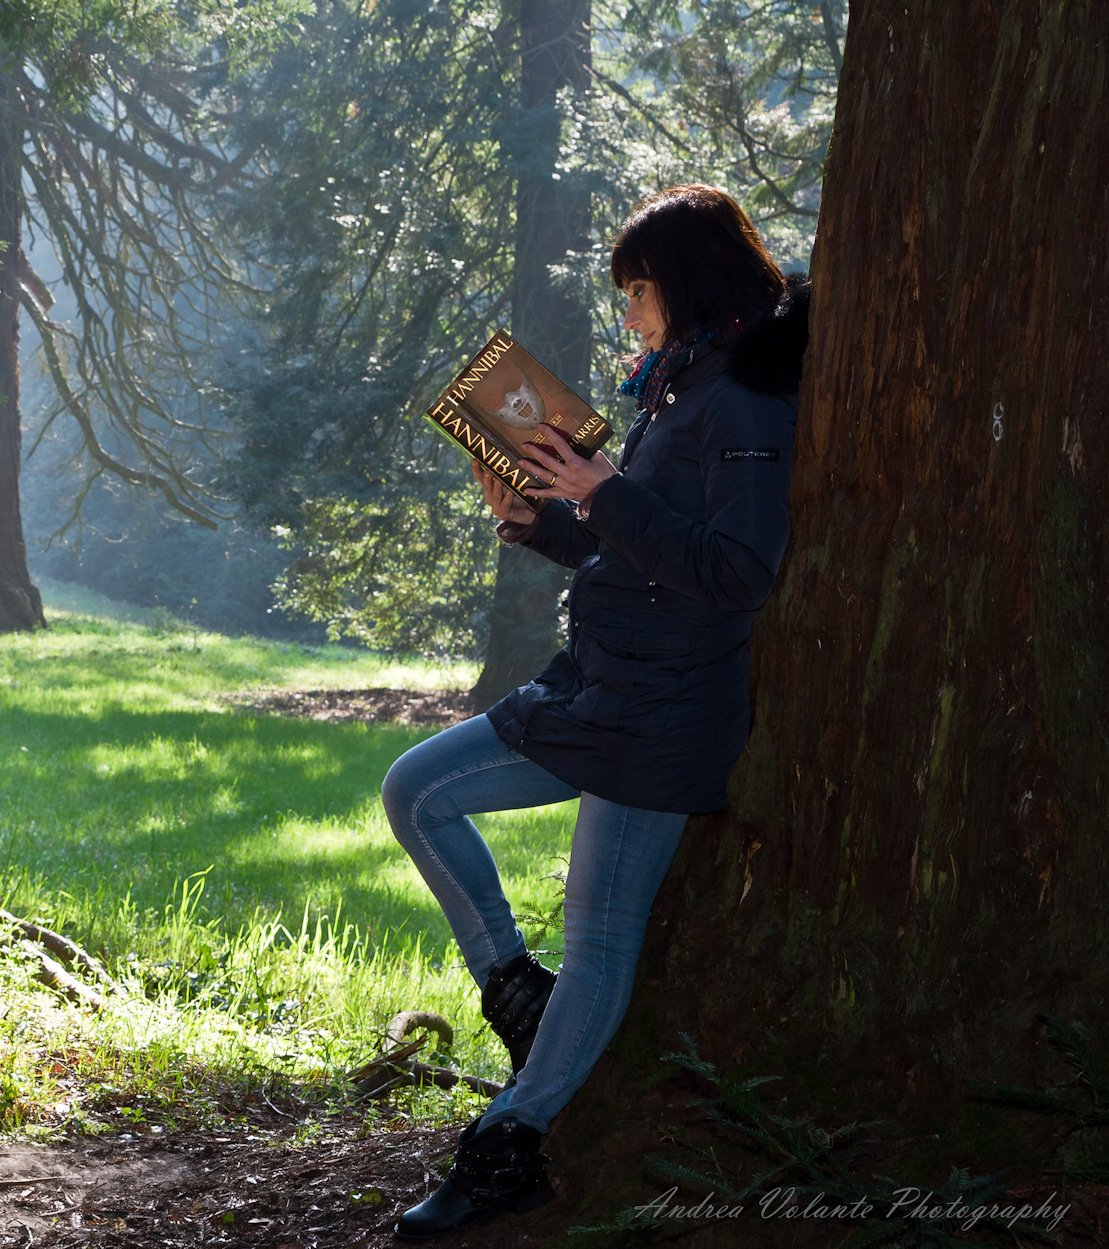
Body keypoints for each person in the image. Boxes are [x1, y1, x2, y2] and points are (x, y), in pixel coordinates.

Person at [384, 184, 811, 1240]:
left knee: (602, 937)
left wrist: (605, 489)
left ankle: (507, 1147)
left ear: (684, 281)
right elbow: (637, 540)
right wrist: (540, 519)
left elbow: (737, 571)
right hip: (596, 685)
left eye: (636, 292)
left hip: (668, 715)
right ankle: (516, 998)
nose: (627, 314)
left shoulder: (748, 398)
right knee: (417, 790)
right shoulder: (680, 382)